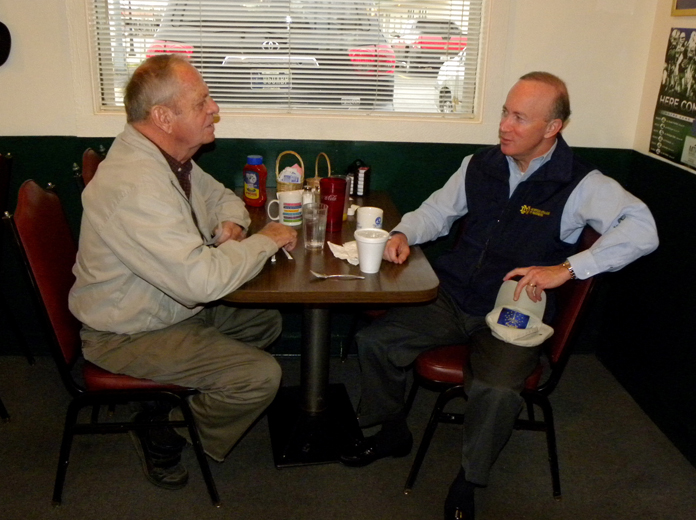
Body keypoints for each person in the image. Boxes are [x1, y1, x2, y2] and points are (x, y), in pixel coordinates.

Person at [339, 72, 659, 520]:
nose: (505, 126)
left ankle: (470, 478)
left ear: (553, 128)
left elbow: (643, 230)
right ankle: (392, 429)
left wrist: (568, 269)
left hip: (514, 308)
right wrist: (404, 233)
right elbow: (438, 211)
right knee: (375, 342)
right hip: (453, 295)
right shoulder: (479, 164)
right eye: (506, 113)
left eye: (520, 118)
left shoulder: (581, 182)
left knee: (496, 389)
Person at [69, 54, 297, 490]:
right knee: (261, 376)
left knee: (265, 321)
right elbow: (202, 282)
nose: (214, 109)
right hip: (127, 332)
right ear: (163, 117)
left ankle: (176, 394)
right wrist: (266, 239)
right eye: (201, 102)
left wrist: (229, 223)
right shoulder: (135, 185)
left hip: (167, 309)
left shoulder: (173, 159)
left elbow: (224, 197)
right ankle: (165, 431)